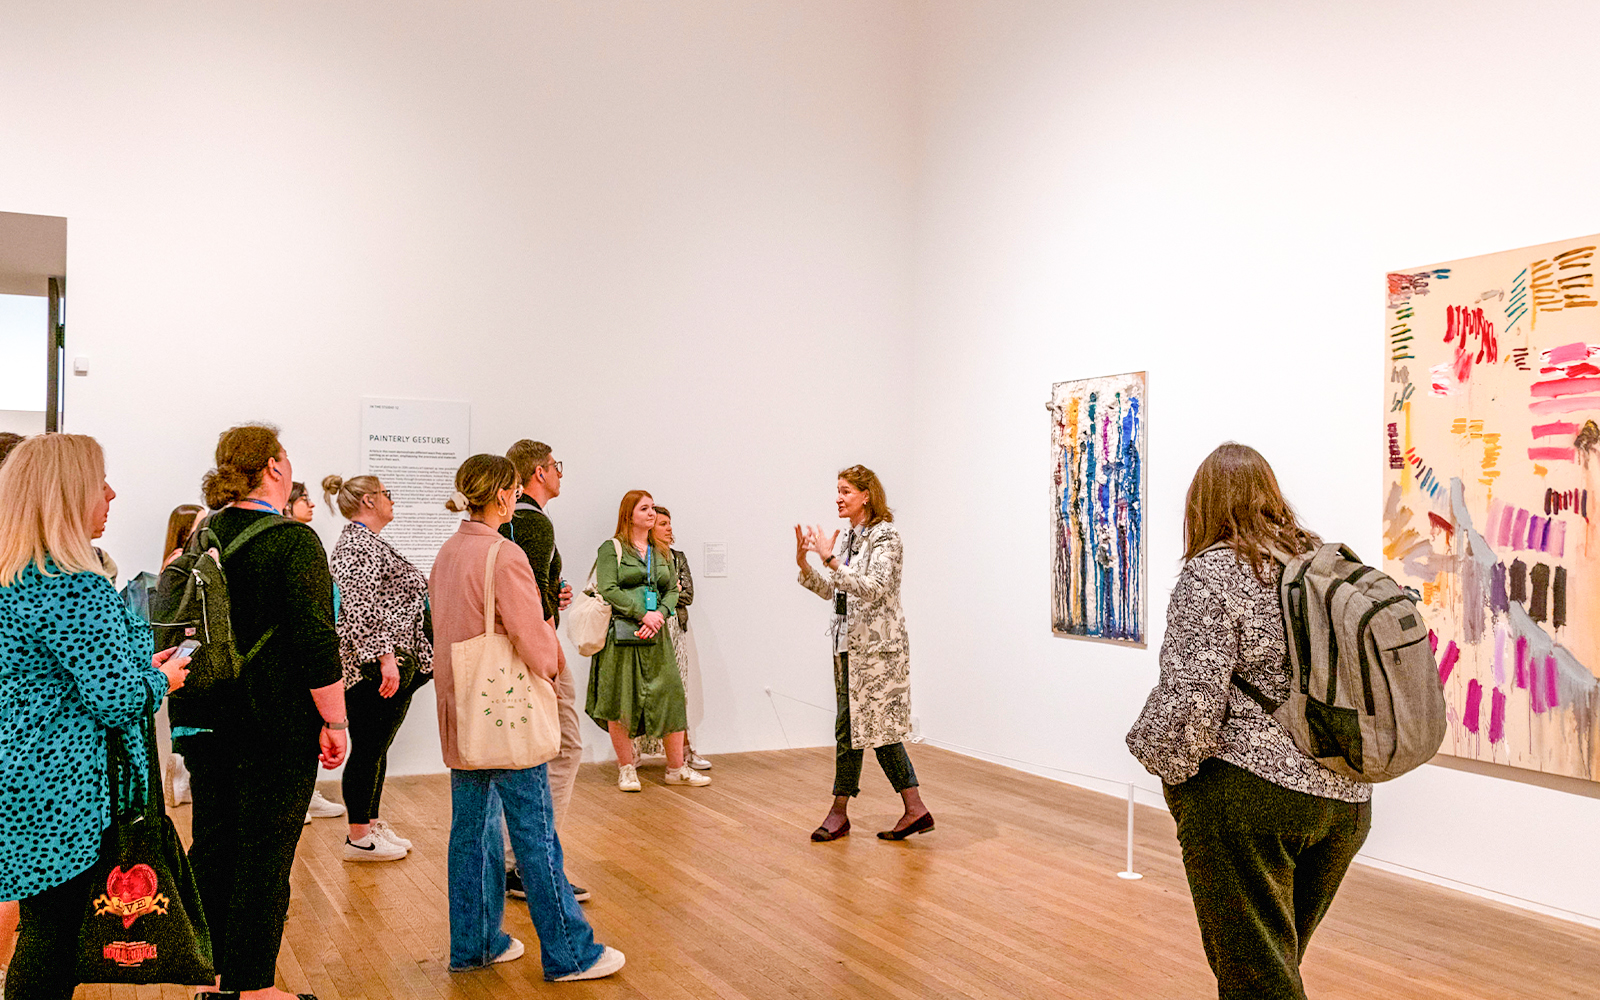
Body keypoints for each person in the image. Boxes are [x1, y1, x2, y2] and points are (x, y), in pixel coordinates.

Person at [1126, 443, 1372, 1000]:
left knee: (1258, 982)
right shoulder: (1325, 565)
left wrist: (1164, 766)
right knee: (1273, 972)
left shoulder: (1214, 572)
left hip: (1250, 802)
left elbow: (1191, 702)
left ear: (1201, 505)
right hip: (1346, 804)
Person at [0, 433, 191, 1000]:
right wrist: (163, 678)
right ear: (65, 494)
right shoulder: (75, 586)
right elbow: (114, 700)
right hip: (62, 784)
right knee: (54, 935)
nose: (111, 493)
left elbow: (68, 675)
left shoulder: (19, 575)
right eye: (97, 483)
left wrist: (137, 667)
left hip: (22, 768)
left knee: (42, 919)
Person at [430, 454, 624, 981]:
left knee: (471, 832)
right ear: (500, 496)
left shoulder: (448, 552)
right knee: (536, 833)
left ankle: (475, 944)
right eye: (514, 489)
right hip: (506, 709)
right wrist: (556, 663)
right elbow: (534, 639)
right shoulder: (504, 554)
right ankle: (569, 953)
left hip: (463, 710)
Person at [175, 424, 348, 1000]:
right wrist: (336, 720)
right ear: (273, 467)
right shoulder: (293, 540)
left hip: (203, 716)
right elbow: (316, 642)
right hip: (273, 724)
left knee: (215, 844)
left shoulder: (202, 535)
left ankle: (216, 974)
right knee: (265, 854)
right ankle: (253, 988)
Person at [796, 464, 931, 841]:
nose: (837, 498)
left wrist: (830, 560)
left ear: (866, 494)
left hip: (877, 652)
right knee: (868, 731)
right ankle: (915, 808)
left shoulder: (886, 537)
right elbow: (836, 590)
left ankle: (839, 812)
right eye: (837, 491)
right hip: (848, 648)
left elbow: (873, 587)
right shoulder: (851, 538)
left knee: (857, 731)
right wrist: (804, 565)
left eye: (845, 491)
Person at [325, 473, 432, 862]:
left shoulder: (367, 542)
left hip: (390, 662)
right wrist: (385, 658)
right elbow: (359, 608)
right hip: (373, 668)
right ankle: (359, 837)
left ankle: (370, 823)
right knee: (369, 748)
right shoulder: (355, 545)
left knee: (377, 747)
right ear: (368, 500)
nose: (391, 500)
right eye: (387, 494)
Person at [500, 440, 585, 901]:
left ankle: (519, 861)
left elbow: (533, 588)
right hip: (538, 649)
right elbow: (530, 600)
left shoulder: (515, 521)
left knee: (532, 754)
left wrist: (557, 592)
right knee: (564, 747)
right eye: (556, 466)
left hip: (527, 647)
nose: (560, 473)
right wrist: (549, 653)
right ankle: (529, 863)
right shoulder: (533, 522)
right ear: (538, 471)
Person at [586, 490, 709, 791]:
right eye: (645, 508)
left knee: (671, 696)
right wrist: (643, 613)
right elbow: (609, 588)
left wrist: (661, 614)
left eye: (653, 508)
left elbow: (672, 589)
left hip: (656, 635)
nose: (652, 513)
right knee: (621, 700)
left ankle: (676, 768)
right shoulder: (611, 548)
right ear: (629, 515)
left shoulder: (660, 550)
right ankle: (627, 768)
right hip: (623, 635)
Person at [281, 481, 345, 823]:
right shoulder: (296, 545)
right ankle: (301, 797)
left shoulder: (301, 544)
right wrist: (337, 720)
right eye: (304, 499)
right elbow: (312, 629)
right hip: (298, 669)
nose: (312, 505)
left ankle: (305, 795)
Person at [631, 506, 710, 769]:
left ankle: (684, 752)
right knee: (642, 690)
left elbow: (686, 595)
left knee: (678, 692)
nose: (669, 528)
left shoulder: (677, 558)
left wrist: (668, 594)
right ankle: (635, 753)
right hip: (647, 628)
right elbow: (639, 594)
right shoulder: (641, 557)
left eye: (669, 523)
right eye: (663, 523)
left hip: (675, 629)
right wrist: (669, 591)